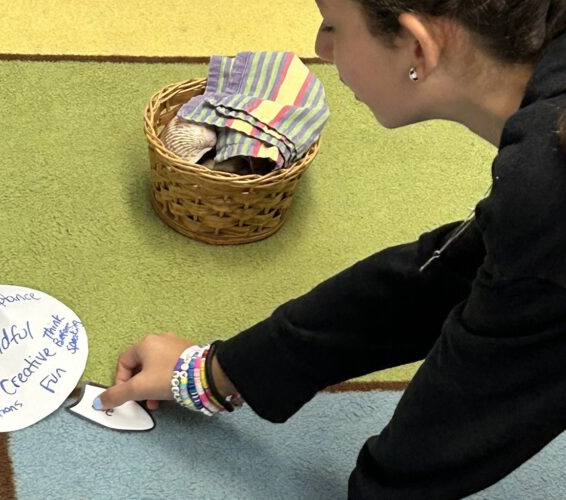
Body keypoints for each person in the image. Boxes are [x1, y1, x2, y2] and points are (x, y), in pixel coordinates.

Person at [96, 0, 566, 497]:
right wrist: (220, 371)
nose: (321, 48)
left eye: (333, 27)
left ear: (417, 47)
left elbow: (442, 440)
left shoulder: (547, 196)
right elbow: (451, 274)